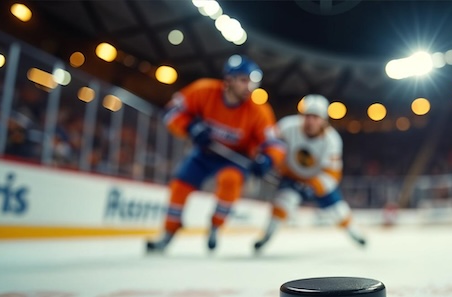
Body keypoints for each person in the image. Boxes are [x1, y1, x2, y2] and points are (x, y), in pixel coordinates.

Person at [147, 55, 284, 253]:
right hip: (204, 153)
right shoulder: (203, 90)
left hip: (236, 159)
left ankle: (216, 226)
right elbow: (171, 113)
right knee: (179, 186)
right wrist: (190, 127)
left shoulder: (259, 110)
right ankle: (168, 232)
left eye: (253, 83)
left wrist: (268, 159)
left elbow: (275, 143)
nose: (249, 87)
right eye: (244, 80)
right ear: (229, 80)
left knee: (230, 181)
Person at [253, 94, 366, 252]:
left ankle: (356, 234)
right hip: (292, 177)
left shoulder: (332, 140)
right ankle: (266, 236)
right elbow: (269, 143)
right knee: (283, 203)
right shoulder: (286, 126)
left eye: (315, 117)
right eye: (307, 116)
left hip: (317, 182)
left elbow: (332, 174)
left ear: (324, 120)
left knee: (339, 211)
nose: (310, 121)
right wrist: (266, 159)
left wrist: (313, 187)